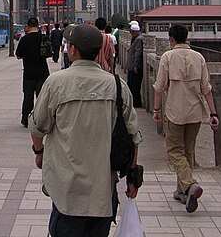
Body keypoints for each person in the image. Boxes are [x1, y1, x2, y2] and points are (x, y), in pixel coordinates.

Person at [30, 24, 143, 237]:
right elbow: (133, 136)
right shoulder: (117, 86)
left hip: (67, 192)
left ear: (72, 50)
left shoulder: (56, 83)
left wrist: (39, 152)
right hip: (103, 191)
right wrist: (132, 178)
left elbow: (37, 126)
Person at [152, 24, 219, 213]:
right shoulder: (199, 57)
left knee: (174, 150)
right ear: (187, 37)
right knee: (188, 150)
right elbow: (206, 89)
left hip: (175, 111)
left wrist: (157, 109)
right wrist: (213, 113)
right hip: (195, 111)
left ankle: (189, 185)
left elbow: (159, 87)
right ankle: (183, 191)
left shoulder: (167, 57)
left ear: (171, 39)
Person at [15, 17, 50, 128]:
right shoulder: (43, 37)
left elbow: (18, 55)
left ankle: (26, 119)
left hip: (29, 72)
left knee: (28, 97)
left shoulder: (25, 39)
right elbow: (49, 52)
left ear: (28, 27)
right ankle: (41, 119)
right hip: (43, 71)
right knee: (41, 97)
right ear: (38, 25)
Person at [125, 21, 144, 108]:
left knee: (135, 86)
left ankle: (136, 103)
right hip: (132, 66)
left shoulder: (139, 39)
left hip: (134, 67)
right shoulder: (135, 38)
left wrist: (136, 66)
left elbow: (138, 53)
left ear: (134, 32)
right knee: (131, 84)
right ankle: (133, 102)